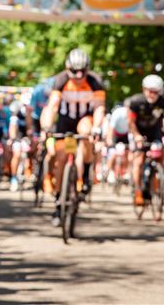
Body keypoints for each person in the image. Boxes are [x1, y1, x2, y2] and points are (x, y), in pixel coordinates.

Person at [40, 49, 106, 226]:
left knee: (86, 133)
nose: (78, 76)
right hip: (66, 122)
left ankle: (84, 176)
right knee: (61, 157)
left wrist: (98, 127)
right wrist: (46, 126)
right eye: (74, 71)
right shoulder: (60, 81)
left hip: (86, 118)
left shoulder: (95, 82)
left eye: (82, 71)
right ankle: (58, 202)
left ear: (87, 69)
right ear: (67, 68)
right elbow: (52, 106)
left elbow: (99, 107)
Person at [129, 75, 164, 207]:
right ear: (144, 89)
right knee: (138, 159)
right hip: (138, 132)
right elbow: (130, 122)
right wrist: (137, 136)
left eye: (155, 92)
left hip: (155, 133)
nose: (152, 94)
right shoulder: (136, 101)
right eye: (149, 91)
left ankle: (160, 181)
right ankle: (138, 190)